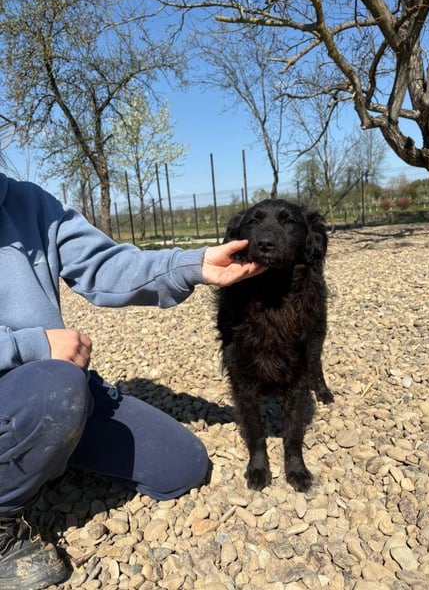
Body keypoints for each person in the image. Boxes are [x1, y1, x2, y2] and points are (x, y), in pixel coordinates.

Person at [0, 155, 264, 589]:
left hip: (48, 385)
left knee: (181, 465)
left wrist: (194, 265)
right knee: (56, 388)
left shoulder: (27, 202)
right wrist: (31, 347)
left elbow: (105, 265)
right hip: (43, 381)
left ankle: (41, 447)